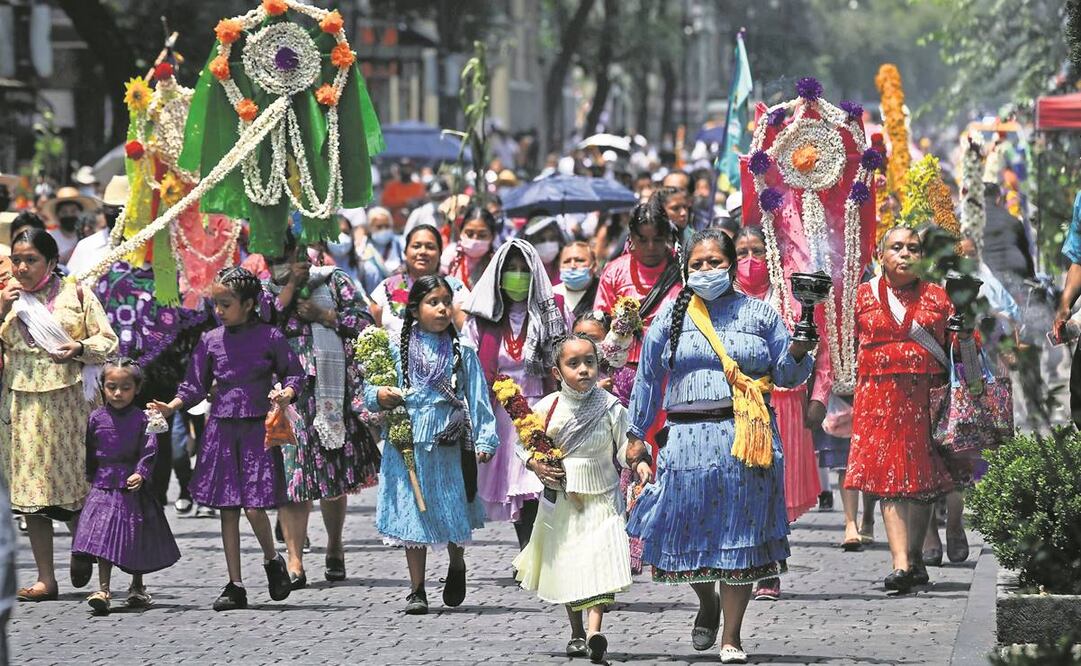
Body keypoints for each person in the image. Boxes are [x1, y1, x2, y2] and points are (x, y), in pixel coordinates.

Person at [626, 229, 814, 664]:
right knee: (686, 530)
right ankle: (706, 602)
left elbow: (786, 375)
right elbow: (649, 379)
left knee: (739, 534)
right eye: (698, 264)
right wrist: (636, 435)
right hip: (685, 442)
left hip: (745, 441)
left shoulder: (760, 315)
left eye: (714, 261)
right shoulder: (670, 316)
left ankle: (732, 635)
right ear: (686, 268)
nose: (707, 270)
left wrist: (802, 348)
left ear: (730, 263)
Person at [149, 267, 303, 611]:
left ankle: (271, 559)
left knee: (253, 506)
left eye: (226, 303)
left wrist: (288, 393)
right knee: (228, 508)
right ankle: (234, 584)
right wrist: (172, 406)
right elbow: (194, 384)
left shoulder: (270, 337)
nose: (219, 310)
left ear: (249, 304)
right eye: (216, 303)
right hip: (220, 428)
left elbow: (293, 371)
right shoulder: (210, 340)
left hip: (255, 429)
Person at [363, 275, 498, 615]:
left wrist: (485, 438)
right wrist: (381, 396)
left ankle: (457, 563)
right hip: (406, 438)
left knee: (451, 507)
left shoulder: (462, 349)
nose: (441, 308)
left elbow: (478, 397)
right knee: (413, 511)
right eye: (432, 302)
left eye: (445, 302)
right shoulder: (395, 347)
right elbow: (371, 392)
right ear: (415, 309)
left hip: (447, 439)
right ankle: (417, 589)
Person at [514, 335, 648, 664]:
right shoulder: (547, 408)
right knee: (571, 563)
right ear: (557, 372)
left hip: (603, 497)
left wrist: (639, 461)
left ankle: (594, 631)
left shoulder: (611, 407)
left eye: (589, 362)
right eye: (573, 364)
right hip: (563, 498)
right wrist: (534, 462)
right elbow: (524, 445)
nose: (584, 370)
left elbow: (625, 446)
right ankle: (576, 631)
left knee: (601, 559)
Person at [0, 229, 119, 601]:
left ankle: (83, 552)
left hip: (68, 403)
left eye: (31, 260)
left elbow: (108, 341)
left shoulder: (76, 294)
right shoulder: (7, 299)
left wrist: (79, 346)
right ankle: (45, 578)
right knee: (29, 494)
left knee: (72, 487)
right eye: (17, 259)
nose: (21, 267)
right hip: (20, 401)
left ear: (51, 263)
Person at [844, 226, 961, 593]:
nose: (905, 254)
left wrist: (968, 331)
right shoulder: (863, 296)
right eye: (897, 247)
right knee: (888, 482)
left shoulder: (939, 298)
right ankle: (900, 563)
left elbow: (959, 349)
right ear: (882, 255)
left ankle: (913, 556)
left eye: (913, 248)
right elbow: (848, 342)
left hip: (926, 398)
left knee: (922, 484)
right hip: (877, 399)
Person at [263, 231, 382, 588]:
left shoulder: (335, 280)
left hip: (332, 391)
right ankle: (295, 560)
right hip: (288, 395)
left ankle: (334, 545)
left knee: (332, 476)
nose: (283, 263)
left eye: (290, 255)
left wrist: (324, 315)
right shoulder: (265, 292)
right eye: (276, 258)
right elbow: (264, 329)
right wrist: (289, 288)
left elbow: (364, 323)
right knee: (293, 476)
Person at [733, 226, 827, 602]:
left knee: (776, 489)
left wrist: (819, 395)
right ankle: (742, 560)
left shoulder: (791, 295)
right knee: (741, 484)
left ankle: (768, 569)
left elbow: (821, 347)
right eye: (741, 252)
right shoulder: (723, 298)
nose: (750, 260)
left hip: (786, 401)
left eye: (757, 250)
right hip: (739, 402)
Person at [462, 239, 568, 549]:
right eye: (511, 269)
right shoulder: (482, 318)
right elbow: (471, 367)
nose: (518, 276)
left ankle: (538, 548)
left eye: (524, 270)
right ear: (498, 274)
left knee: (539, 482)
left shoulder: (554, 312)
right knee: (518, 488)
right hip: (500, 414)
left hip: (543, 404)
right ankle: (527, 549)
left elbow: (565, 354)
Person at [72, 359, 181, 615]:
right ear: (103, 387)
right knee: (102, 538)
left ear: (137, 388)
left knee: (134, 536)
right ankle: (104, 588)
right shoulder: (96, 418)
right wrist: (90, 476)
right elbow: (90, 450)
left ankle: (137, 586)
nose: (118, 393)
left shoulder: (144, 419)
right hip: (103, 484)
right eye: (112, 387)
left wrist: (141, 474)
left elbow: (149, 450)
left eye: (125, 387)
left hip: (131, 487)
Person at [369, 224, 469, 341]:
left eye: (430, 247)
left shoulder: (455, 288)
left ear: (440, 253)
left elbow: (466, 331)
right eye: (416, 246)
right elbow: (372, 334)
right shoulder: (386, 287)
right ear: (405, 252)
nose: (422, 252)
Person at [67, 177, 127, 277]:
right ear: (103, 210)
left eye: (120, 209)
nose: (115, 214)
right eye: (110, 208)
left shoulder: (148, 245)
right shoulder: (86, 246)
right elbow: (69, 286)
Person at [441, 205, 497, 290]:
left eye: (482, 235)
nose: (474, 239)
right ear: (461, 232)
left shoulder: (497, 262)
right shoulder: (450, 256)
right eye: (469, 234)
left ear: (492, 236)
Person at [40, 186, 97, 266]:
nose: (69, 215)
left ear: (81, 213)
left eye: (73, 211)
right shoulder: (49, 237)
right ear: (57, 215)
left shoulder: (89, 236)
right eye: (64, 212)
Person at [355, 206, 404, 296]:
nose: (384, 230)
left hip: (398, 299)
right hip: (372, 300)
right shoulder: (362, 247)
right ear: (370, 228)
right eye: (379, 227)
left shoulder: (400, 243)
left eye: (387, 226)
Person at [553, 241, 600, 320]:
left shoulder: (603, 293)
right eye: (567, 261)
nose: (572, 266)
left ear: (594, 265)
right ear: (559, 266)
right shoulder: (551, 295)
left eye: (579, 260)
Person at [521, 216, 566, 285]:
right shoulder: (524, 270)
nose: (547, 244)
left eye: (552, 239)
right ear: (531, 242)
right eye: (542, 240)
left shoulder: (566, 268)